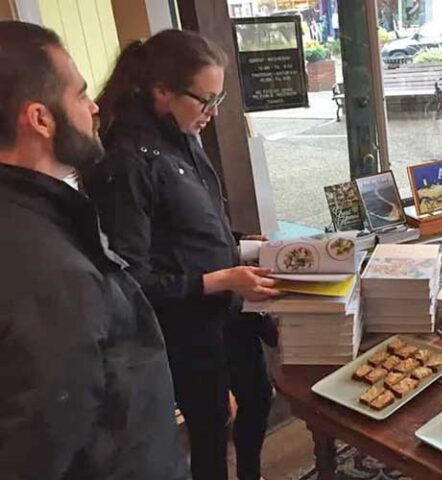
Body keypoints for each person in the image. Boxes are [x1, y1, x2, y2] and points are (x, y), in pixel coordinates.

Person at [82, 30, 280, 480]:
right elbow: (132, 280)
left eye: (219, 97)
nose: (214, 112)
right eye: (204, 100)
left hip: (229, 306)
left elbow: (193, 224)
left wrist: (246, 244)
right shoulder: (126, 161)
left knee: (259, 395)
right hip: (187, 323)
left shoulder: (181, 134)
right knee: (210, 425)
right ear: (161, 91)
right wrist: (222, 279)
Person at [0, 21, 187, 479]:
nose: (94, 105)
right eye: (80, 94)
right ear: (40, 118)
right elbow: (42, 436)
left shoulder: (39, 214)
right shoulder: (43, 263)